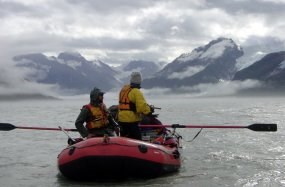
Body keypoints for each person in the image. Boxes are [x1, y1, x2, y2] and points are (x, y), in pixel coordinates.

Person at [118, 72, 152, 140]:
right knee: (136, 140)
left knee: (124, 139)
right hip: (131, 121)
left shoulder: (123, 90)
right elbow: (141, 107)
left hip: (121, 120)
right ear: (139, 81)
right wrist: (149, 111)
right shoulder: (136, 91)